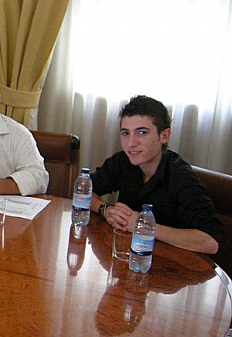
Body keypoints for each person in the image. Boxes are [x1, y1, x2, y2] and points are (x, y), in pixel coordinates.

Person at [91, 95, 222, 254]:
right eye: (125, 133)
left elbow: (210, 242)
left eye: (142, 132)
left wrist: (144, 227)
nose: (131, 143)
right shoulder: (122, 161)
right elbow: (84, 190)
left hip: (174, 265)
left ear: (164, 136)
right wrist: (104, 209)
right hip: (129, 257)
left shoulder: (181, 177)